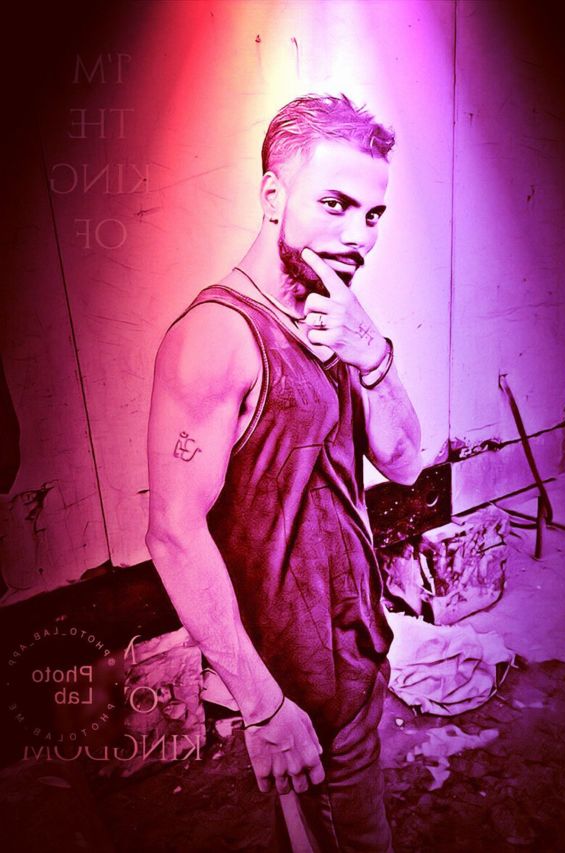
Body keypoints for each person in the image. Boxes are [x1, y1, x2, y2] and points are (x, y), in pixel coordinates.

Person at [146, 94, 422, 852]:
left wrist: (373, 356)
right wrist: (263, 706)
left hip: (354, 657)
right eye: (335, 204)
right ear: (274, 195)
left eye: (373, 214)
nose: (358, 236)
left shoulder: (340, 317)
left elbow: (405, 462)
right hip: (297, 682)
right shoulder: (217, 337)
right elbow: (172, 533)